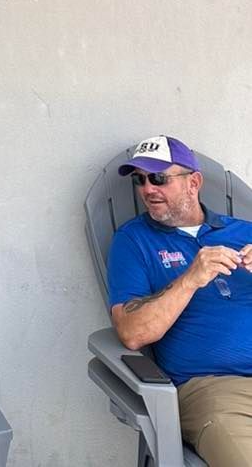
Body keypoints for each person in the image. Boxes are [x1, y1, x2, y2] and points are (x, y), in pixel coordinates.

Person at [108, 134, 252, 467]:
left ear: (194, 182)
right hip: (214, 390)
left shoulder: (245, 231)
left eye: (158, 178)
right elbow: (132, 333)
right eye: (139, 180)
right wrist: (189, 279)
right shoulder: (133, 242)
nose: (147, 189)